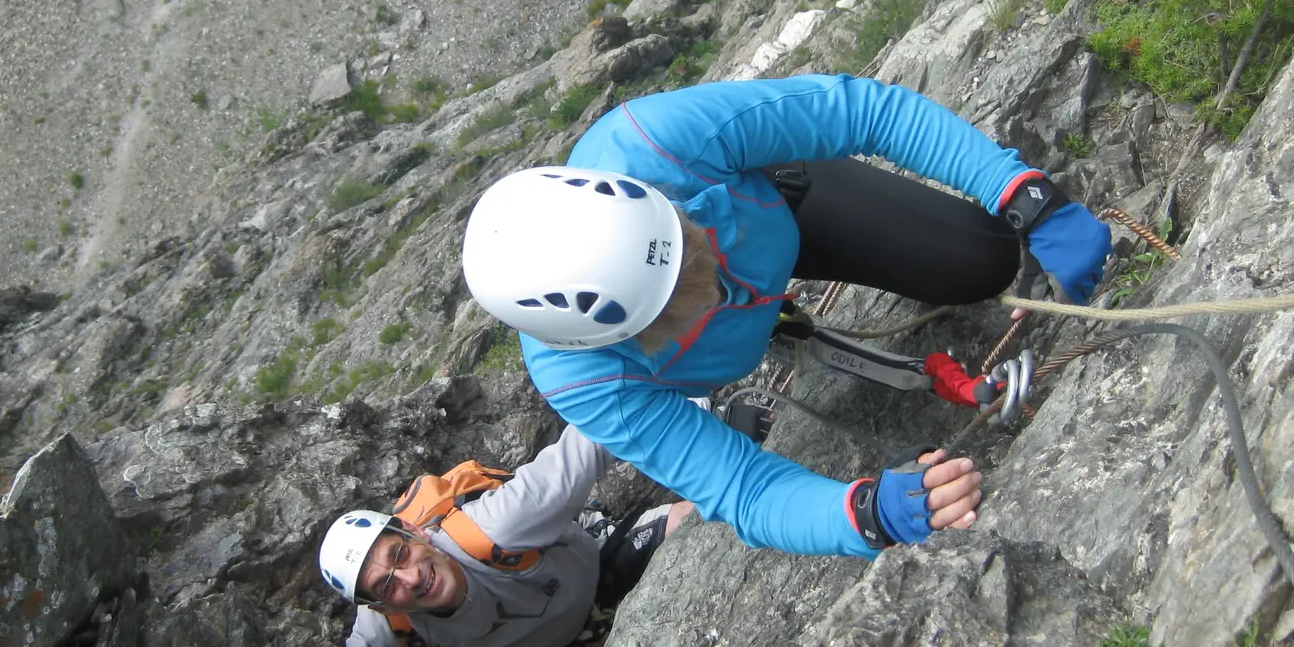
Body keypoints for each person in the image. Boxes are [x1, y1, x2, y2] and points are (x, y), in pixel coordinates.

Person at [460, 74, 1112, 558]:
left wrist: (1023, 195)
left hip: (785, 211)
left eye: (688, 243)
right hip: (761, 254)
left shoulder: (654, 143)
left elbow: (865, 113)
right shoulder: (586, 382)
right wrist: (863, 516)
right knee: (973, 264)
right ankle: (777, 323)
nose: (709, 283)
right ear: (613, 338)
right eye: (679, 305)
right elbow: (740, 488)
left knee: (982, 259)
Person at [319, 423, 692, 647]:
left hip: (602, 562)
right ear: (381, 607)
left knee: (698, 523)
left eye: (399, 554)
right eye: (387, 586)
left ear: (414, 531)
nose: (411, 578)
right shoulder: (391, 627)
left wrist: (696, 425)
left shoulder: (499, 527)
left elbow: (594, 436)